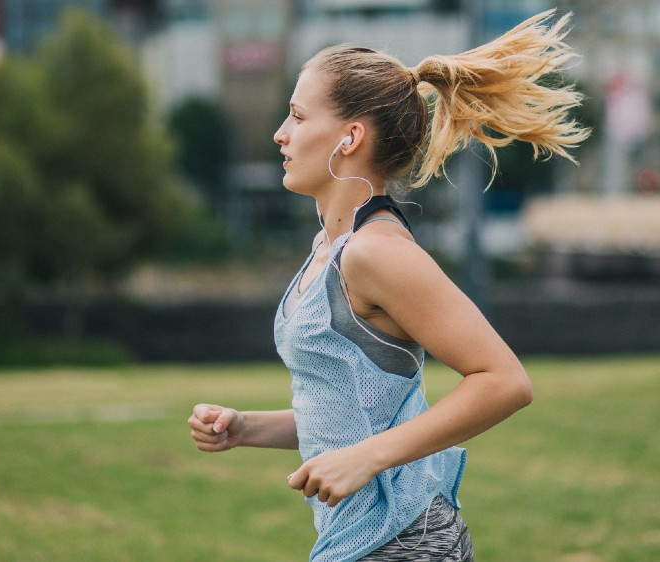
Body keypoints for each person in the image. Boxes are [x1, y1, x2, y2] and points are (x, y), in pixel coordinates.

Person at [188, 10, 588, 561]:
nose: (280, 133)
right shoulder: (330, 248)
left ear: (350, 136)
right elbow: (352, 413)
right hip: (362, 541)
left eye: (298, 117)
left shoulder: (376, 252)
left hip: (403, 541)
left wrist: (369, 457)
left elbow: (505, 381)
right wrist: (246, 427)